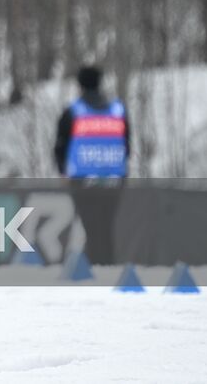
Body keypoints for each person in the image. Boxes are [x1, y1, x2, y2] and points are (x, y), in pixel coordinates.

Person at [53, 64, 128, 264]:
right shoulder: (118, 110)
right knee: (106, 228)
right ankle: (109, 267)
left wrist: (62, 171)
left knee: (92, 229)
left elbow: (60, 146)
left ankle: (96, 269)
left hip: (83, 181)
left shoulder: (73, 112)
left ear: (80, 85)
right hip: (114, 181)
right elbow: (127, 145)